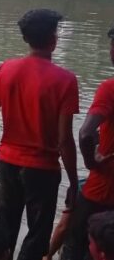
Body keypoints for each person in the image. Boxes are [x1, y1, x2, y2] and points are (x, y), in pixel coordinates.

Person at [0, 9, 79, 260]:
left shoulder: (6, 69)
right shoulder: (66, 80)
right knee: (37, 235)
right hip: (43, 169)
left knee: (3, 229)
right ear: (54, 40)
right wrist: (73, 180)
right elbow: (65, 138)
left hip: (7, 163)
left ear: (26, 39)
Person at [63, 28, 114, 260]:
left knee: (76, 243)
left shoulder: (110, 88)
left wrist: (91, 161)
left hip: (103, 190)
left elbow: (85, 134)